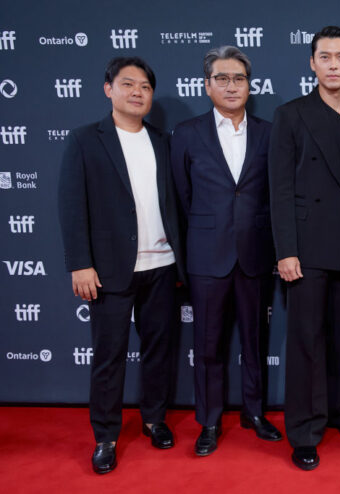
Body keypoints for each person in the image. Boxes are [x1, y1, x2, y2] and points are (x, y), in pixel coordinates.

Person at [58, 56, 185, 474]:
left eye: (145, 87)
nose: (137, 92)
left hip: (163, 266)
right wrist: (80, 264)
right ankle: (106, 436)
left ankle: (154, 418)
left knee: (159, 351)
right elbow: (72, 207)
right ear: (107, 88)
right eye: (128, 84)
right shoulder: (84, 140)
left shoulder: (164, 141)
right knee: (109, 356)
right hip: (110, 270)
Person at [268, 26, 340, 471]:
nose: (333, 64)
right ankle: (305, 430)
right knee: (308, 341)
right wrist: (286, 250)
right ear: (312, 63)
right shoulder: (291, 114)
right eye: (325, 57)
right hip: (307, 248)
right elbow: (279, 187)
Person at [171, 46, 281, 457]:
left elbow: (274, 195)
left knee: (255, 342)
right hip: (206, 256)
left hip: (255, 254)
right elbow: (182, 197)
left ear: (250, 86)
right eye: (222, 78)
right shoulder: (186, 133)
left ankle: (255, 413)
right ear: (207, 85)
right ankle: (210, 421)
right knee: (208, 344)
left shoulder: (269, 132)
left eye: (239, 78)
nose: (231, 86)